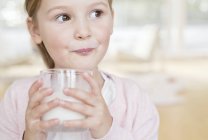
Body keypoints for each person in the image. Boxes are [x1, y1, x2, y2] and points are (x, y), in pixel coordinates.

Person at [0, 0, 159, 139]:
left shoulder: (134, 100)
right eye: (63, 17)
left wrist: (107, 130)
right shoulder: (17, 98)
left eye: (97, 13)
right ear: (35, 30)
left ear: (112, 20)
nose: (83, 32)